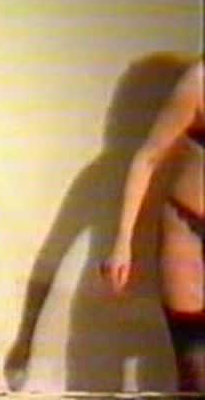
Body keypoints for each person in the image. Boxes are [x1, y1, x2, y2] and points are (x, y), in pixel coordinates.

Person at [103, 57, 205, 391]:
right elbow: (148, 157)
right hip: (186, 231)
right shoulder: (199, 82)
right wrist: (123, 242)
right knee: (195, 366)